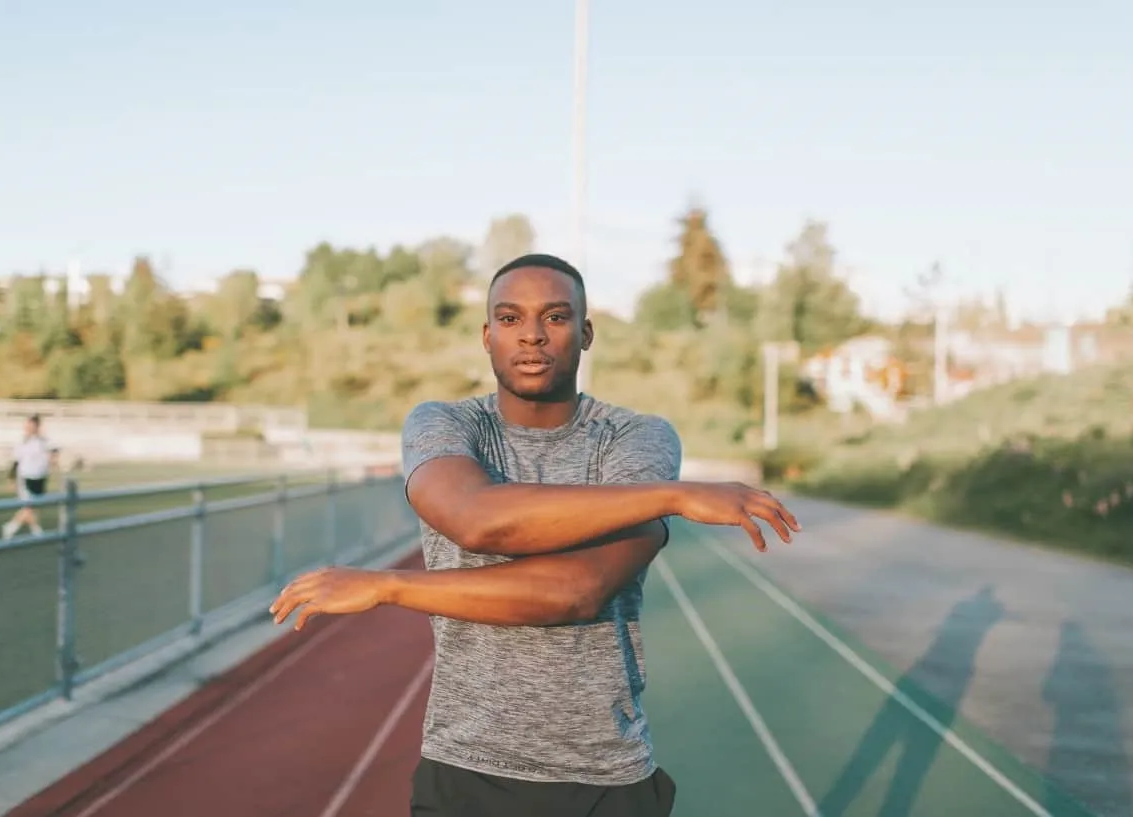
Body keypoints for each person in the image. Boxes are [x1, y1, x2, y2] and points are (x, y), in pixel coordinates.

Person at [269, 253, 801, 817]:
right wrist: (670, 496)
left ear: (586, 332)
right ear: (486, 335)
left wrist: (390, 587)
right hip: (464, 767)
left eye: (554, 317)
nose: (531, 336)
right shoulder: (444, 425)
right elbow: (475, 519)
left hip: (603, 776)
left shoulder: (636, 439)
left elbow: (576, 591)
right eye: (509, 318)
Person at [2, 414, 59, 539]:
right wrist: (11, 479)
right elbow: (16, 461)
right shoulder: (22, 442)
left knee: (33, 506)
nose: (27, 427)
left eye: (31, 425)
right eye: (27, 425)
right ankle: (35, 531)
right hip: (25, 476)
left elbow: (54, 451)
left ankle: (11, 526)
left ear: (37, 426)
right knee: (28, 506)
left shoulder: (45, 441)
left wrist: (53, 460)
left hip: (40, 477)